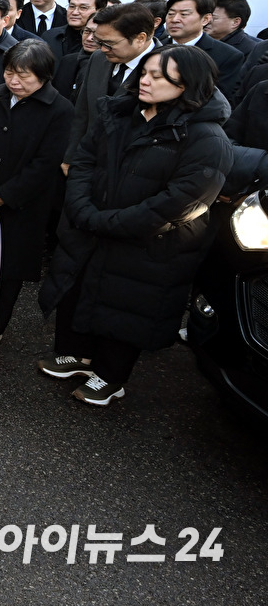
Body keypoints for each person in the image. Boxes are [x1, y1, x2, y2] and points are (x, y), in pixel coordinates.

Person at [37, 44, 233, 405]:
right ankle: (79, 355)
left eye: (158, 76)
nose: (145, 80)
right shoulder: (119, 112)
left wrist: (107, 220)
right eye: (145, 72)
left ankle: (111, 376)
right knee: (82, 290)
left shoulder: (207, 138)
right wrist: (82, 208)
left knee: (128, 306)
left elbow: (182, 201)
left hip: (152, 244)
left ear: (188, 83)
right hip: (93, 225)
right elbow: (84, 161)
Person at [0, 41, 72, 353]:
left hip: (23, 202)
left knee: (7, 269)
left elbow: (46, 163)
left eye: (24, 76)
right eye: (10, 72)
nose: (14, 81)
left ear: (43, 76)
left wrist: (6, 194)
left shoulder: (59, 110)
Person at [62, 3, 159, 173]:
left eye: (109, 43)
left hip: (132, 170)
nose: (103, 48)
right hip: (88, 164)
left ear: (140, 38)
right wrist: (70, 158)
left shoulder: (167, 68)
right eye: (100, 42)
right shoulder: (98, 58)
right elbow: (82, 113)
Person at [164, 0, 242, 99]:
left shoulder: (227, 55)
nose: (174, 19)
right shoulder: (155, 47)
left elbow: (219, 100)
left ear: (205, 19)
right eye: (171, 14)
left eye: (184, 14)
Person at [41, 0, 107, 59]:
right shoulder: (50, 36)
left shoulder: (102, 43)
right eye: (72, 6)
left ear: (99, 10)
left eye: (83, 8)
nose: (75, 12)